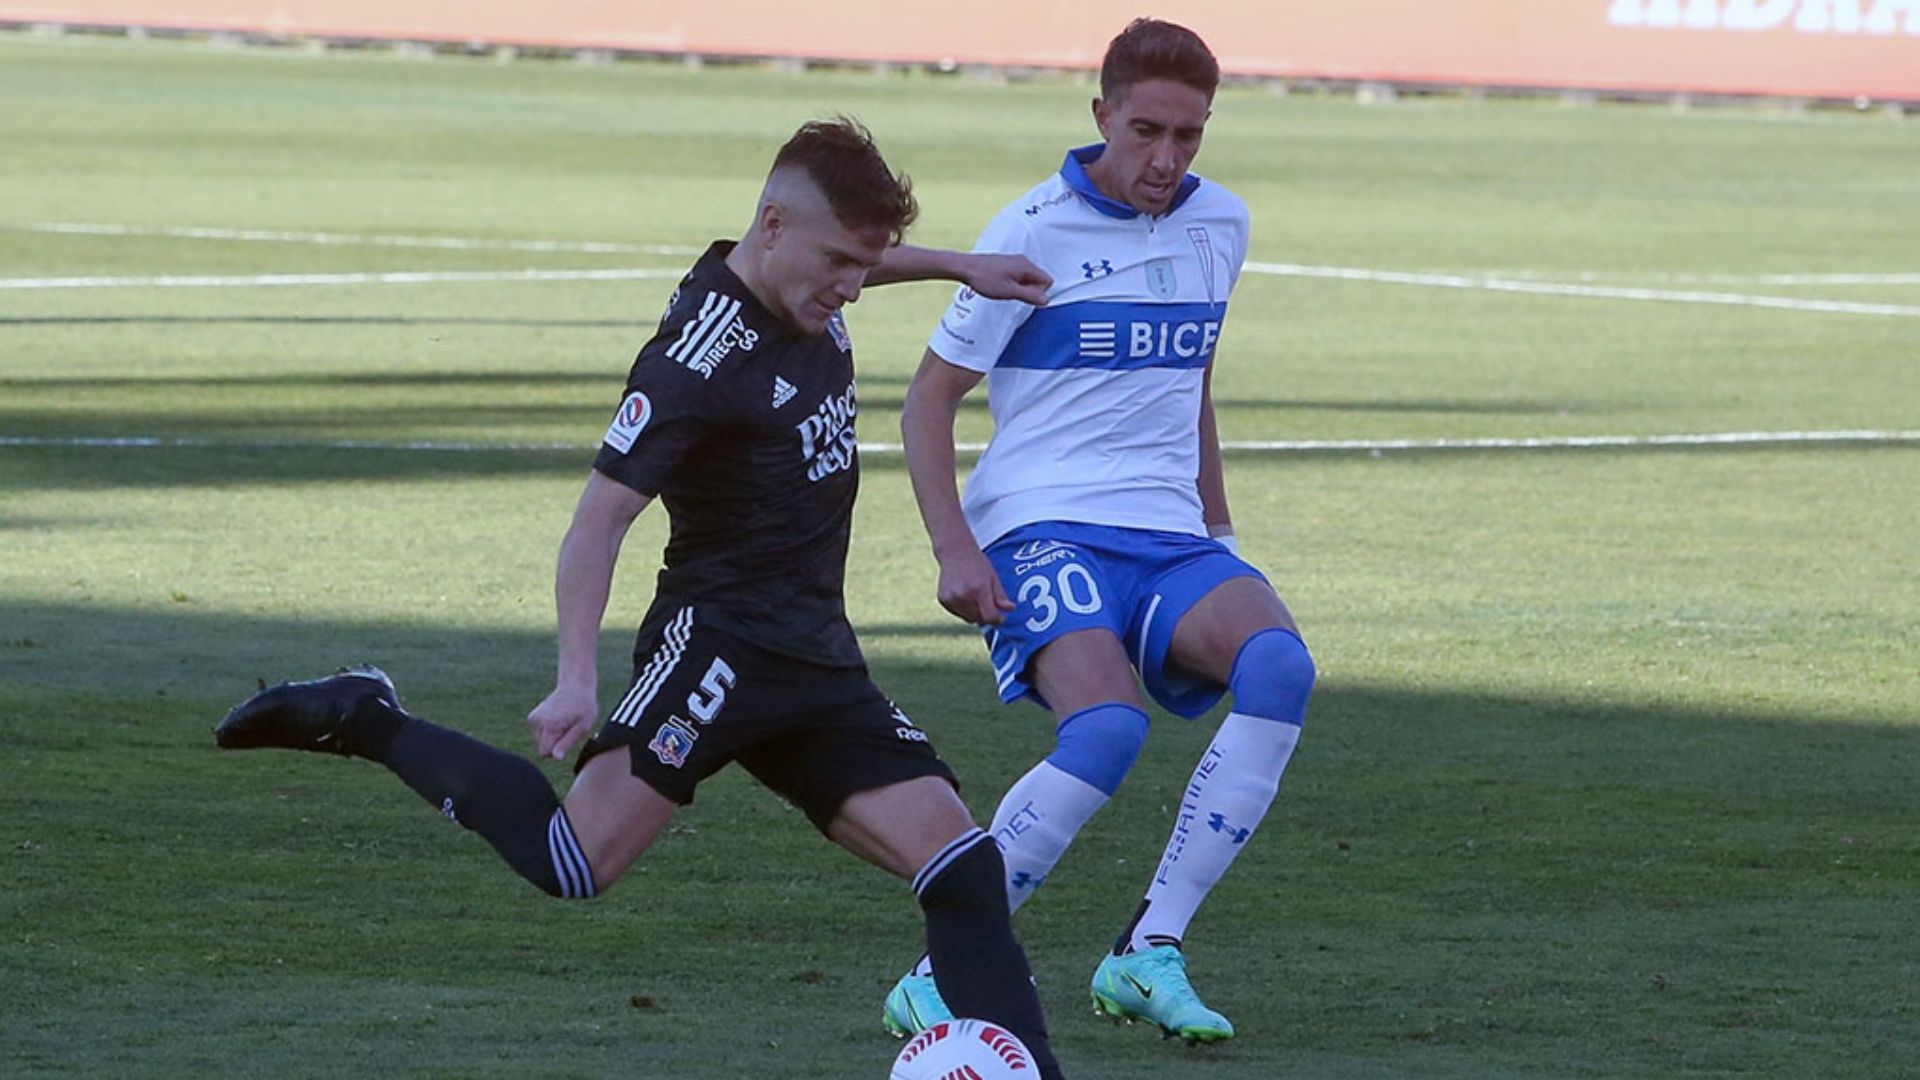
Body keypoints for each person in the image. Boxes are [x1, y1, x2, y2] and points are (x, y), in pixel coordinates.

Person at [215, 117, 1068, 1079]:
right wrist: (576, 677)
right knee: (573, 862)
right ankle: (365, 716)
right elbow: (598, 521)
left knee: (964, 866)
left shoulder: (797, 272)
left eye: (862, 265)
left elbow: (854, 257)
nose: (849, 286)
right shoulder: (691, 366)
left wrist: (962, 266)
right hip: (717, 650)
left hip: (816, 657)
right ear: (774, 225)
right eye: (840, 262)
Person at [884, 19, 1315, 1046]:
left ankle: (1147, 950)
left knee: (1281, 669)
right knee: (1108, 729)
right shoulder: (1030, 230)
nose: (1167, 159)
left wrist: (1219, 526)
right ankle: (939, 974)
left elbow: (1193, 377)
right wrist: (955, 549)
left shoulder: (1224, 226)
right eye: (1147, 131)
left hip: (1166, 532)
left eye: (1191, 136)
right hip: (1040, 525)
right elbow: (927, 401)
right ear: (1101, 117)